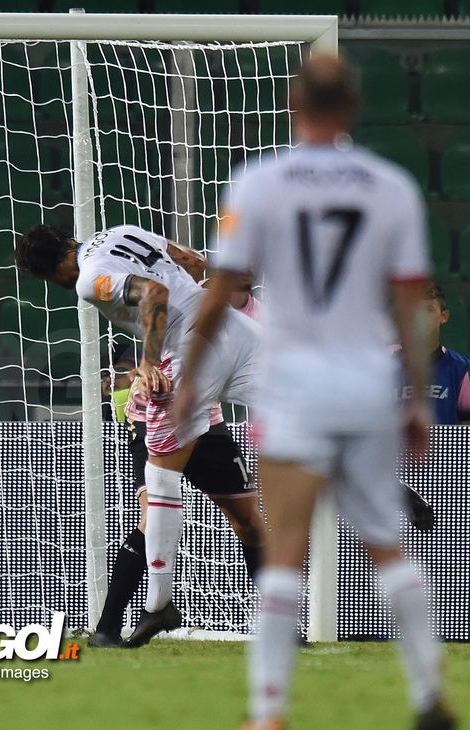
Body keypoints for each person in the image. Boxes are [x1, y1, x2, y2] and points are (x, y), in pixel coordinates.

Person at [175, 55, 455, 729]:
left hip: (293, 383)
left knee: (287, 547)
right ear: (354, 106)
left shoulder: (259, 183)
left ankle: (269, 713)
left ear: (294, 103)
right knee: (388, 544)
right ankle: (429, 696)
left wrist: (189, 380)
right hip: (363, 382)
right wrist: (416, 400)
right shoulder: (390, 187)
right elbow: (410, 299)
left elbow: (220, 294)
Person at [15, 222, 262, 648]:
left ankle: (153, 608)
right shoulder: (121, 231)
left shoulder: (89, 280)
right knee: (298, 413)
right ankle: (114, 625)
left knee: (166, 491)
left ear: (51, 271)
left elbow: (153, 293)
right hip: (220, 343)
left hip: (184, 365)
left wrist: (147, 362)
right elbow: (191, 260)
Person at [399, 281, 470, 425]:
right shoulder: (386, 363)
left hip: (443, 448)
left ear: (444, 316)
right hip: (390, 447)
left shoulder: (462, 369)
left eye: (429, 310)